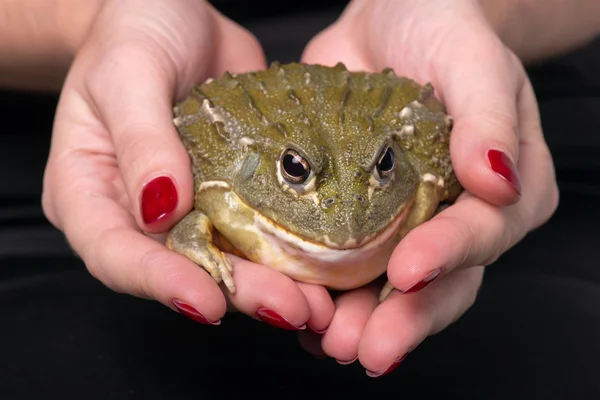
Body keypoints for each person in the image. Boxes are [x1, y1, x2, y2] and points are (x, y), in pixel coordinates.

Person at [1, 0, 598, 394]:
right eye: (296, 172)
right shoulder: (229, 170)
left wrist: (473, 12)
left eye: (383, 168)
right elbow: (189, 217)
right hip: (76, 139)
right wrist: (101, 18)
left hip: (515, 94)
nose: (345, 216)